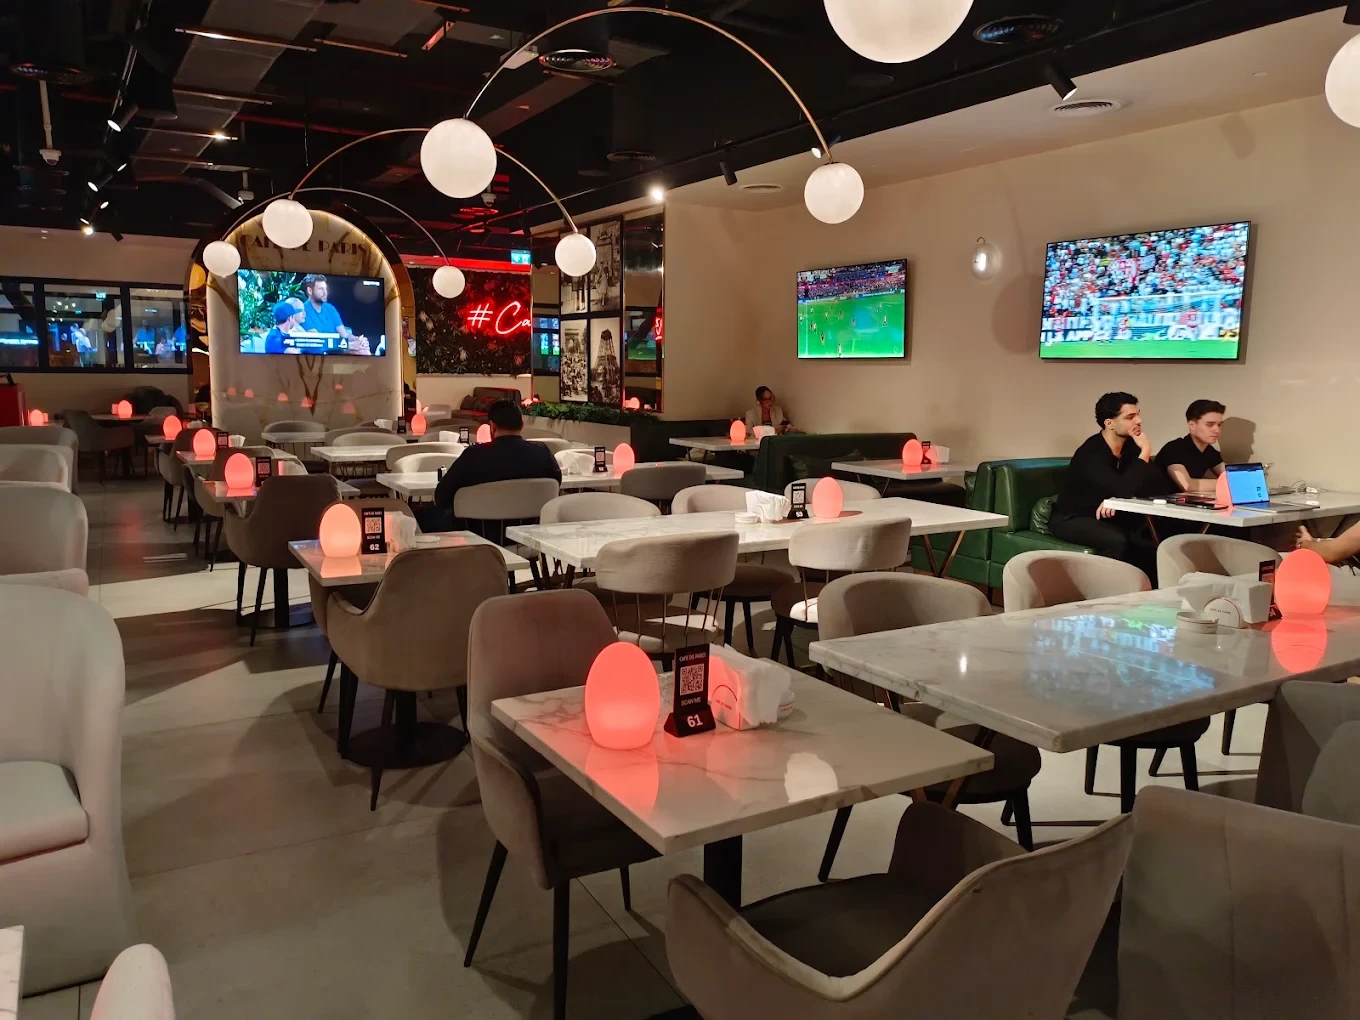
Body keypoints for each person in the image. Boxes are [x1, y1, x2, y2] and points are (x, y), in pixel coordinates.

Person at [1050, 391, 1161, 577]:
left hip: (1107, 516)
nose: (1139, 421)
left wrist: (1114, 500)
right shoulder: (1091, 453)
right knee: (1117, 540)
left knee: (1152, 540)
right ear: (1109, 423)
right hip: (1072, 518)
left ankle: (1146, 596)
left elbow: (1155, 484)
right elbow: (1122, 488)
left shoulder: (1130, 449)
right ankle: (1101, 593)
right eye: (1130, 417)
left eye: (1138, 414)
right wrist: (1146, 451)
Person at [427, 400, 561, 533]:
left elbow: (441, 497)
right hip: (529, 534)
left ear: (492, 427)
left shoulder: (473, 456)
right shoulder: (543, 453)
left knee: (421, 516)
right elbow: (556, 485)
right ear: (521, 425)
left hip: (477, 534)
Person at [1156, 399, 1226, 493]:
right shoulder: (1174, 449)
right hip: (1156, 502)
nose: (1217, 430)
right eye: (1210, 425)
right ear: (1192, 425)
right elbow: (1187, 485)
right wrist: (1228, 484)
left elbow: (1230, 476)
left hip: (1183, 503)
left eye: (1219, 425)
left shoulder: (1209, 451)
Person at [301, 275, 369, 354]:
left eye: (326, 289)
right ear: (310, 291)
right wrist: (348, 345)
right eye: (321, 289)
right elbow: (318, 341)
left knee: (363, 349)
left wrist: (358, 340)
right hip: (321, 352)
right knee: (360, 351)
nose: (325, 293)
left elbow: (345, 334)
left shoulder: (330, 308)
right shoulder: (303, 311)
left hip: (338, 348)